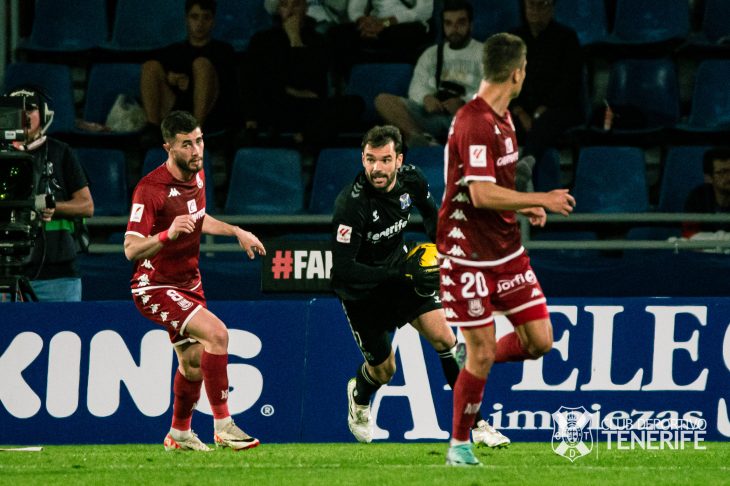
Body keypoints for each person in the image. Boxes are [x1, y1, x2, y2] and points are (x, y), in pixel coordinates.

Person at [436, 33, 575, 466]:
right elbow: (480, 194)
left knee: (540, 341)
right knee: (482, 352)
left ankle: (474, 355)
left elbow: (496, 188)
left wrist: (522, 207)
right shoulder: (475, 122)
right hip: (466, 257)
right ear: (517, 73)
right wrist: (540, 198)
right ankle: (460, 445)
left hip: (507, 253)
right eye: (525, 68)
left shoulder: (504, 118)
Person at [331, 125, 509, 447]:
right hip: (362, 293)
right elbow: (344, 270)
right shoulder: (351, 205)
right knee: (384, 371)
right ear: (362, 158)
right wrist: (398, 274)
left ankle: (478, 425)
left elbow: (432, 218)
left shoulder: (412, 180)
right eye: (370, 159)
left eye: (385, 160)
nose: (376, 168)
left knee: (446, 340)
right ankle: (359, 396)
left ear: (399, 160)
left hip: (402, 275)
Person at [124, 111, 266, 451]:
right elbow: (130, 249)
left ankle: (179, 433)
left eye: (199, 141)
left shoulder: (198, 174)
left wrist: (235, 231)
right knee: (218, 334)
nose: (196, 150)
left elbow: (198, 218)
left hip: (188, 283)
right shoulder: (150, 189)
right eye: (186, 144)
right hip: (154, 285)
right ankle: (224, 426)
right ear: (168, 147)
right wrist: (167, 234)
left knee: (192, 365)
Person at [5, 86, 94, 302]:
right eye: (18, 110)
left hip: (58, 275)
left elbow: (86, 206)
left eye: (30, 109)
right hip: (5, 271)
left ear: (44, 114)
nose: (24, 115)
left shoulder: (61, 152)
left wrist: (54, 207)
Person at [242, 0, 363, 148]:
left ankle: (303, 137)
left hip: (307, 107)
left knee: (355, 103)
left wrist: (295, 40)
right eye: (285, 5)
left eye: (296, 5)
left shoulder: (318, 41)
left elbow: (311, 83)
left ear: (305, 8)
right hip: (275, 104)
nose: (290, 11)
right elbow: (259, 81)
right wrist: (291, 90)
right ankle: (305, 137)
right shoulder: (262, 40)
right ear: (278, 10)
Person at [374, 0, 482, 147]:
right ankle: (422, 140)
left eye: (460, 23)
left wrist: (464, 102)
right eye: (448, 24)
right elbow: (416, 87)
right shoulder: (431, 54)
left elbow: (493, 91)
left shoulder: (485, 53)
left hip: (467, 117)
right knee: (383, 100)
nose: (454, 29)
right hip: (433, 114)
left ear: (471, 25)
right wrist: (425, 98)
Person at [139, 0, 238, 145]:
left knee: (201, 64)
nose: (200, 23)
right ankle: (152, 128)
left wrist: (191, 83)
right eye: (194, 17)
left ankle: (195, 132)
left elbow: (227, 90)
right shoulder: (174, 51)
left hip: (210, 115)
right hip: (176, 113)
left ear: (213, 21)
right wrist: (170, 79)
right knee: (150, 66)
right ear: (186, 19)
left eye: (206, 17)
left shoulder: (223, 51)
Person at [509, 0, 583, 162]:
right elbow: (506, 80)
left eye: (542, 4)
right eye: (531, 5)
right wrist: (520, 111)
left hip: (559, 108)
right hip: (522, 108)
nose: (536, 10)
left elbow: (570, 83)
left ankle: (525, 168)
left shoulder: (567, 37)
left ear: (552, 8)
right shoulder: (513, 39)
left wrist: (543, 109)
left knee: (542, 124)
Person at [329, 0, 434, 84]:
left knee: (399, 36)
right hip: (375, 23)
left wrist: (385, 23)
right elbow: (356, 5)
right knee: (337, 34)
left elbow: (424, 11)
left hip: (407, 24)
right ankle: (346, 88)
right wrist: (362, 20)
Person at [682, 147, 730, 238]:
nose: (729, 177)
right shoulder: (697, 197)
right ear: (708, 178)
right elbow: (689, 234)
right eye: (722, 172)